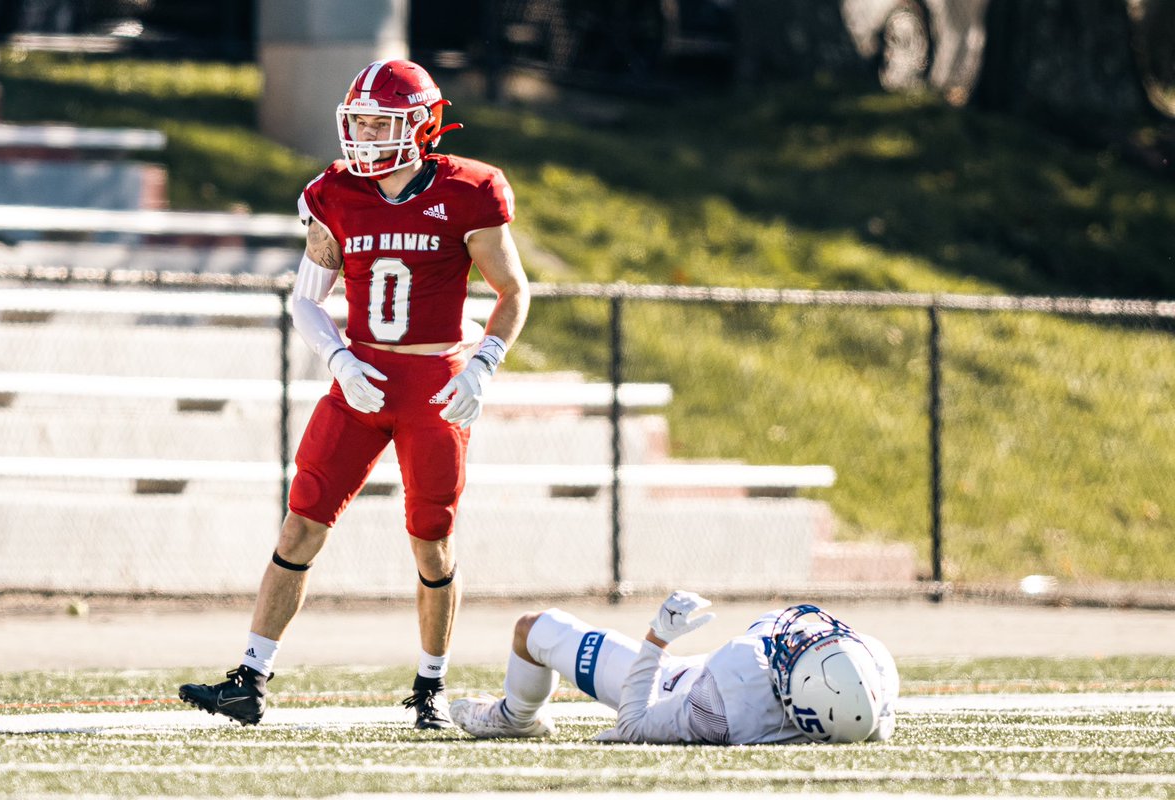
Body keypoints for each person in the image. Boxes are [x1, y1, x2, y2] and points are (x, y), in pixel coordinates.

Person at [178, 59, 530, 729]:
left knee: (432, 540)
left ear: (422, 126)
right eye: (359, 122)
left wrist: (483, 363)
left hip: (433, 383)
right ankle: (249, 678)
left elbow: (513, 293)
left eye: (381, 123)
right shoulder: (335, 193)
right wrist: (337, 357)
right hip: (361, 378)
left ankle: (430, 686)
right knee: (301, 521)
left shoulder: (470, 190)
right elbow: (306, 303)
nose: (366, 136)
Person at [449, 591, 899, 744]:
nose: (796, 639)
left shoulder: (723, 708)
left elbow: (632, 724)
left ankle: (515, 718)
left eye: (800, 651)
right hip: (712, 676)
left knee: (535, 629)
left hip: (668, 685)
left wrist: (657, 637)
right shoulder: (868, 686)